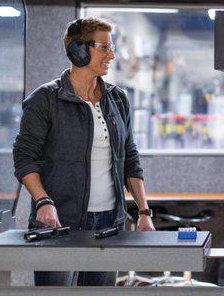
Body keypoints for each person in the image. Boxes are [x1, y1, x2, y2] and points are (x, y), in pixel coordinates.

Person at [13, 17, 155, 286]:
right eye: (104, 47)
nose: (111, 55)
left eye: (111, 47)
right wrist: (43, 201)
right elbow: (24, 157)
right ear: (79, 50)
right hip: (59, 222)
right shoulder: (45, 100)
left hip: (110, 223)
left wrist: (144, 212)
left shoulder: (117, 99)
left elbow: (130, 157)